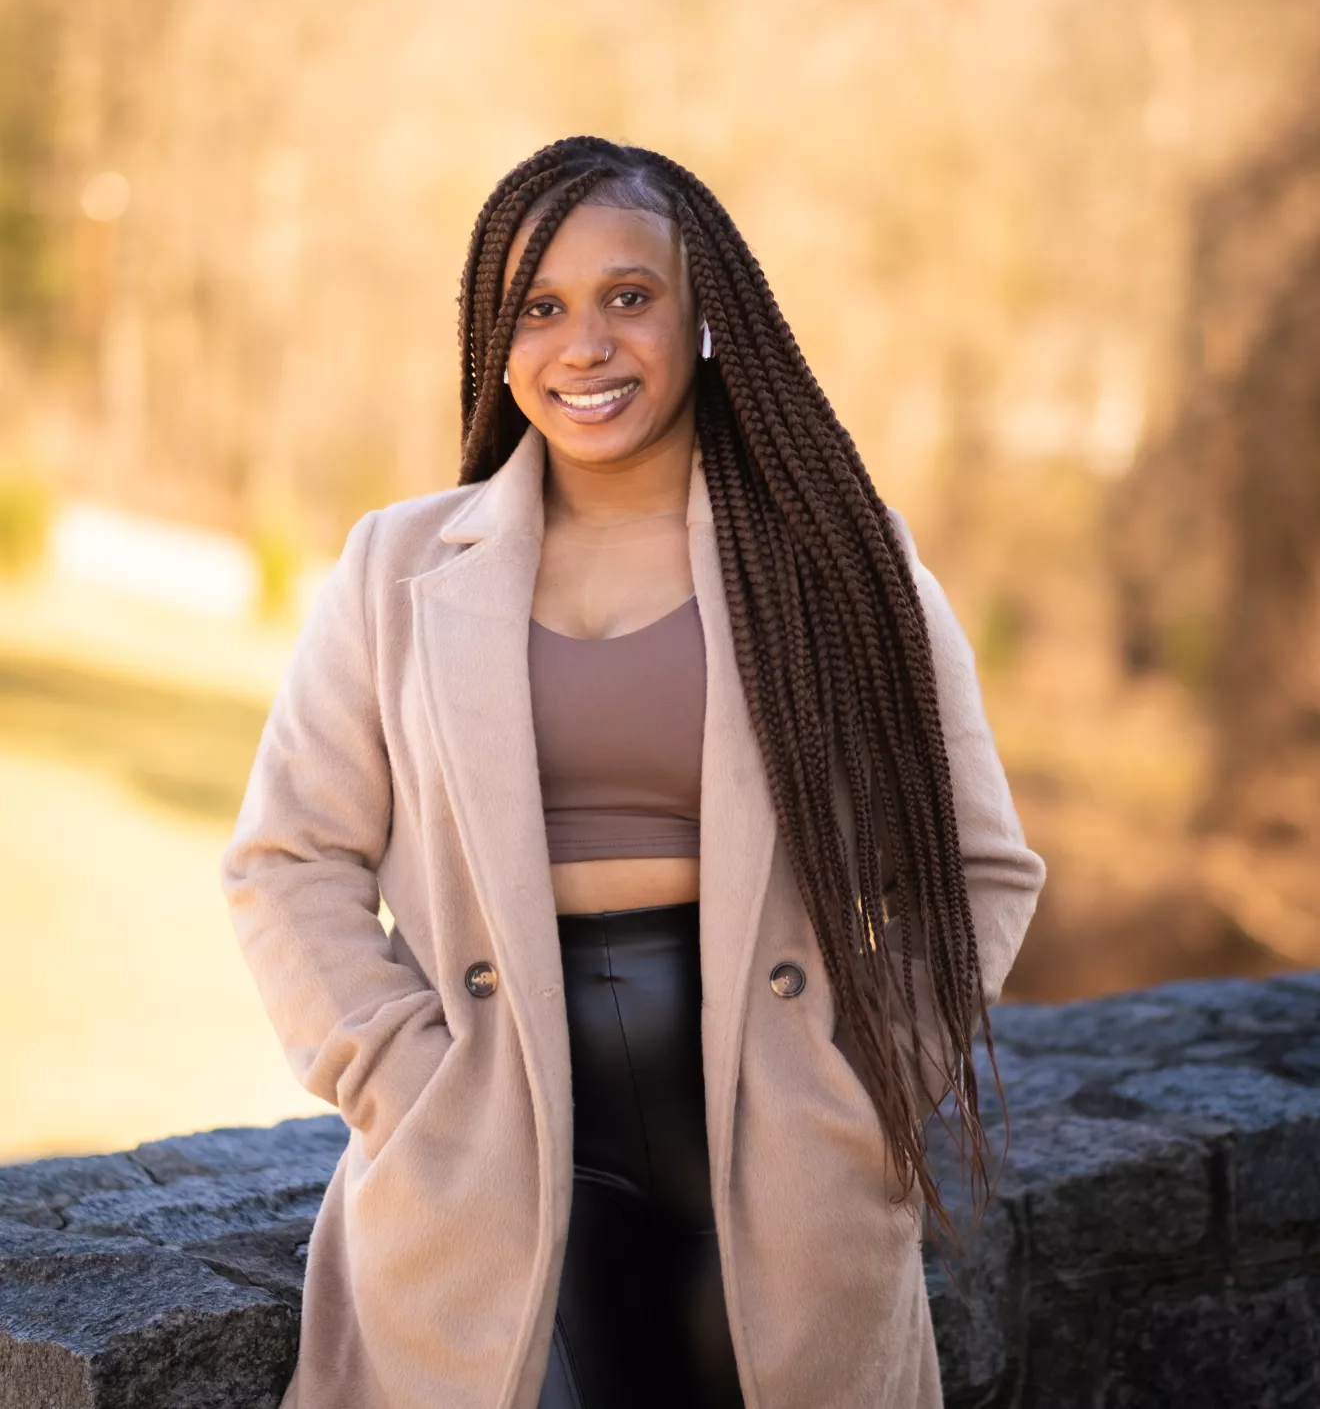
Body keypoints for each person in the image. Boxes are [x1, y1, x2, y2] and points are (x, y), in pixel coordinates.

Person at [220, 135, 1047, 1409]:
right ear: (497, 339)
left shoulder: (835, 559)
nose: (584, 346)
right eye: (539, 307)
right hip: (486, 1132)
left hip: (780, 1143)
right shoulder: (394, 568)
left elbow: (977, 863)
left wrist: (872, 1082)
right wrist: (400, 1078)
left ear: (703, 312)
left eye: (628, 296)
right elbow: (289, 860)